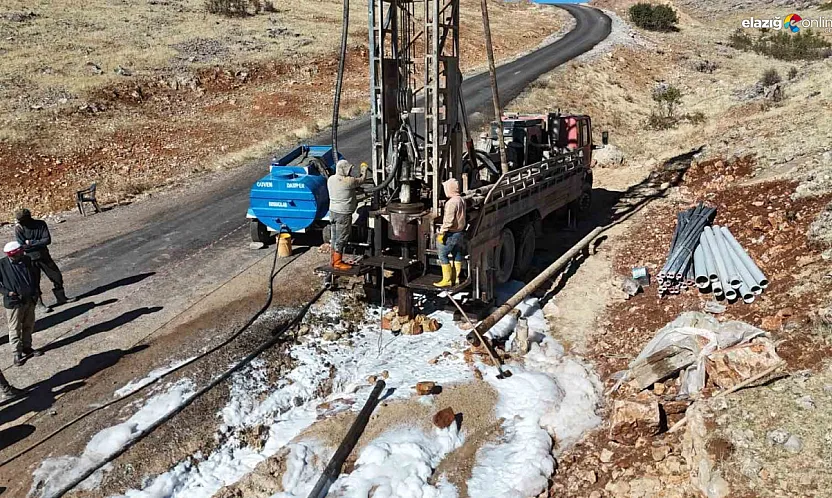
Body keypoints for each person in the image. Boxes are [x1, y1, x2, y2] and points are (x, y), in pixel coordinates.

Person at [14, 208, 76, 309]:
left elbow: (47, 240)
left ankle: (61, 297)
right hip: (30, 259)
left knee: (56, 276)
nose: (20, 222)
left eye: (21, 220)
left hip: (44, 255)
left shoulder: (40, 224)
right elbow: (22, 245)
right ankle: (39, 304)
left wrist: (30, 243)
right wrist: (37, 242)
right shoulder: (19, 228)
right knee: (34, 282)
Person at [0, 241, 43, 366]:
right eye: (19, 252)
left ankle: (27, 347)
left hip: (29, 298)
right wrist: (8, 293)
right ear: (13, 254)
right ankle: (17, 353)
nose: (22, 253)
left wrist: (36, 292)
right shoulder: (1, 265)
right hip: (14, 302)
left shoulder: (27, 260)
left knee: (29, 324)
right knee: (15, 328)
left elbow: (34, 276)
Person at [327, 160, 367, 270]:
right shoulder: (348, 181)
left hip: (333, 212)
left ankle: (333, 260)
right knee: (341, 238)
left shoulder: (331, 179)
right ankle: (338, 262)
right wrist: (363, 169)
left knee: (334, 237)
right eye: (349, 169)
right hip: (343, 214)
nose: (350, 171)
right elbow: (361, 180)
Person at [434, 178, 467, 288]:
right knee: (456, 254)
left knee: (442, 254)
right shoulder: (461, 199)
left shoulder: (451, 203)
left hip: (451, 233)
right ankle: (455, 278)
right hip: (460, 232)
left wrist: (442, 233)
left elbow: (449, 220)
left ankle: (447, 280)